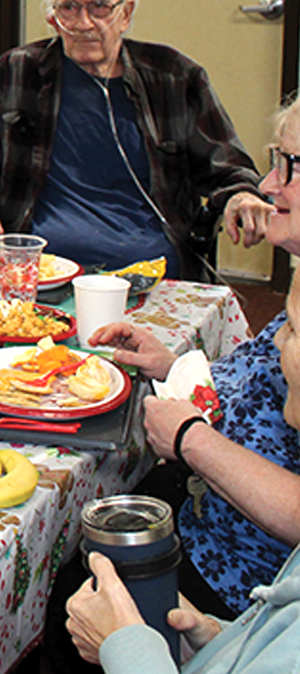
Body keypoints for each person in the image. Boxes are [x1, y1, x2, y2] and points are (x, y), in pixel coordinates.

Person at [76, 98, 300, 619]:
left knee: (69, 589)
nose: (268, 184)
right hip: (208, 506)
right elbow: (259, 381)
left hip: (245, 579)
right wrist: (172, 368)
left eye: (289, 165)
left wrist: (191, 441)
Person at [0, 0, 270, 279]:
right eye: (69, 8)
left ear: (126, 14)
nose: (84, 23)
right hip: (39, 270)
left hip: (149, 269)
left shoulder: (175, 77)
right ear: (53, 19)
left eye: (100, 7)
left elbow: (229, 166)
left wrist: (242, 196)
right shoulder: (19, 71)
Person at [65, 264, 300, 673]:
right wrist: (213, 640)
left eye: (293, 329)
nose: (278, 338)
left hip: (229, 563)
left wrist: (125, 646)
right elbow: (262, 644)